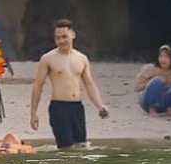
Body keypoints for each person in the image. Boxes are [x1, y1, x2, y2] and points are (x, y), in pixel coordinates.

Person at [29, 19, 110, 148]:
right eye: (57, 38)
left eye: (64, 37)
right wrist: (33, 113)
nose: (61, 41)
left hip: (77, 107)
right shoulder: (48, 58)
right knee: (66, 149)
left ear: (73, 35)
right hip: (59, 108)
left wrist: (100, 106)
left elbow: (89, 84)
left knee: (81, 146)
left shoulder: (82, 58)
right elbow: (38, 85)